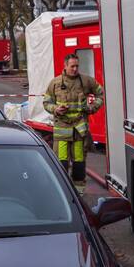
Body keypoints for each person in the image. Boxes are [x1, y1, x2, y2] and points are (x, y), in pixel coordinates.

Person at [42, 53, 104, 194]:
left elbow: (100, 93)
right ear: (65, 66)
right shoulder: (55, 83)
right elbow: (46, 102)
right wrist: (55, 109)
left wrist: (92, 107)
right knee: (61, 164)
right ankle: (63, 194)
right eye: (72, 66)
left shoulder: (86, 81)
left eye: (77, 66)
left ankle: (79, 194)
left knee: (79, 164)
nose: (75, 69)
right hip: (62, 133)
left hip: (79, 132)